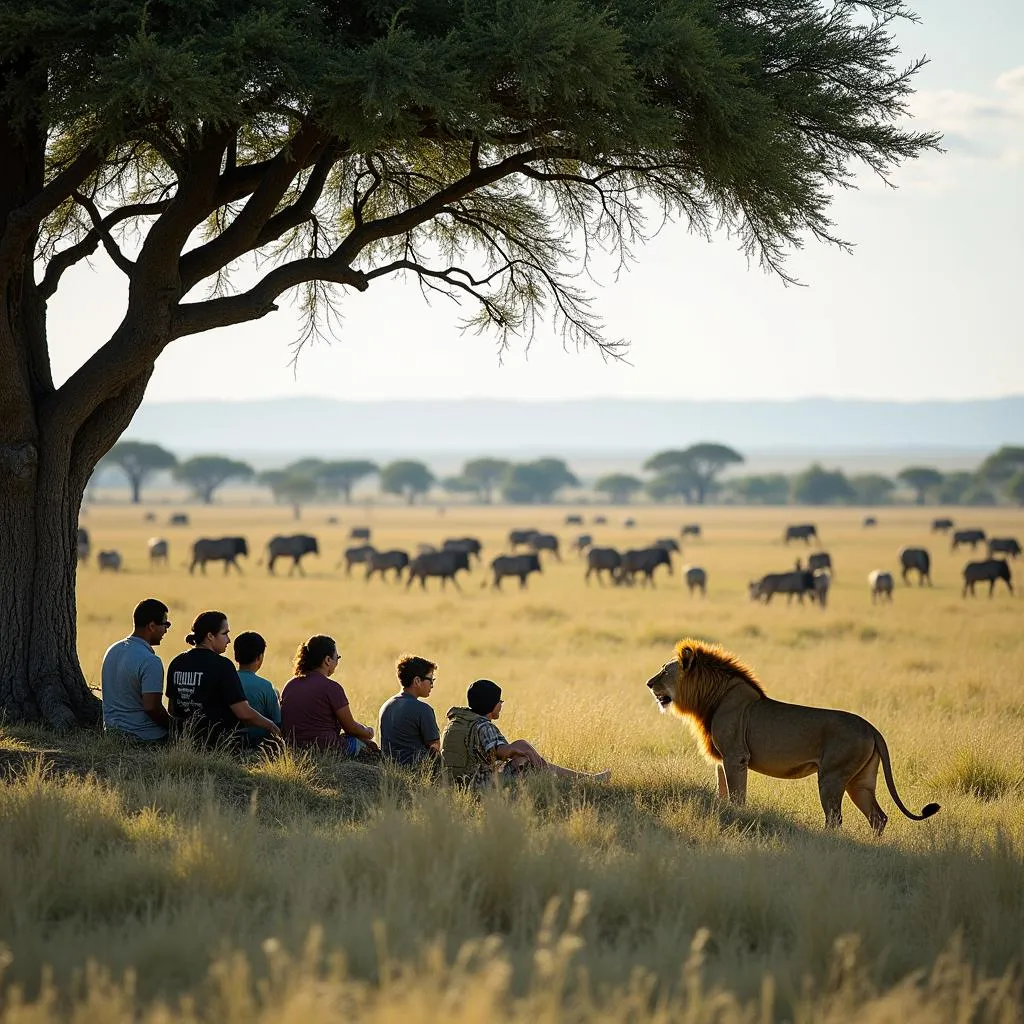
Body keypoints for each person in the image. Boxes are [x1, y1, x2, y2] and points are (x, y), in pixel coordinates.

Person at [441, 679, 610, 788]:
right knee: (523, 757)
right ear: (492, 704)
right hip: (477, 785)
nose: (501, 704)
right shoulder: (483, 726)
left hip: (453, 783)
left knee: (521, 752)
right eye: (499, 701)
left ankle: (579, 778)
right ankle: (585, 780)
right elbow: (501, 752)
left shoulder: (457, 721)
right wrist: (525, 750)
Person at [165, 610, 283, 748]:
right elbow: (244, 713)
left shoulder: (177, 662)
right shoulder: (222, 665)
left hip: (183, 741)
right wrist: (271, 726)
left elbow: (172, 709)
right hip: (217, 744)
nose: (229, 640)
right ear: (210, 636)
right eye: (225, 633)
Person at [280, 635, 378, 755]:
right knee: (369, 745)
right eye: (337, 657)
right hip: (327, 749)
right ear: (327, 660)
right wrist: (368, 732)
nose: (337, 662)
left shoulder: (290, 685)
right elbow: (350, 727)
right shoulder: (331, 688)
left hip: (293, 750)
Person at [100, 598, 172, 743]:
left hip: (112, 733)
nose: (166, 630)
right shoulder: (150, 661)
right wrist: (175, 727)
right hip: (145, 736)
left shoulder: (112, 650)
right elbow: (152, 708)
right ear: (151, 626)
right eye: (165, 624)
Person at [377, 655, 440, 766]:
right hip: (416, 770)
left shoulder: (386, 705)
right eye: (430, 680)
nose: (432, 685)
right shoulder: (423, 709)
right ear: (417, 681)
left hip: (388, 767)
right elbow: (434, 748)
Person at [232, 631, 282, 748]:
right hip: (258, 748)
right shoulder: (265, 686)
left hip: (228, 744)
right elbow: (277, 721)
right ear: (260, 657)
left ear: (235, 655)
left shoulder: (227, 680)